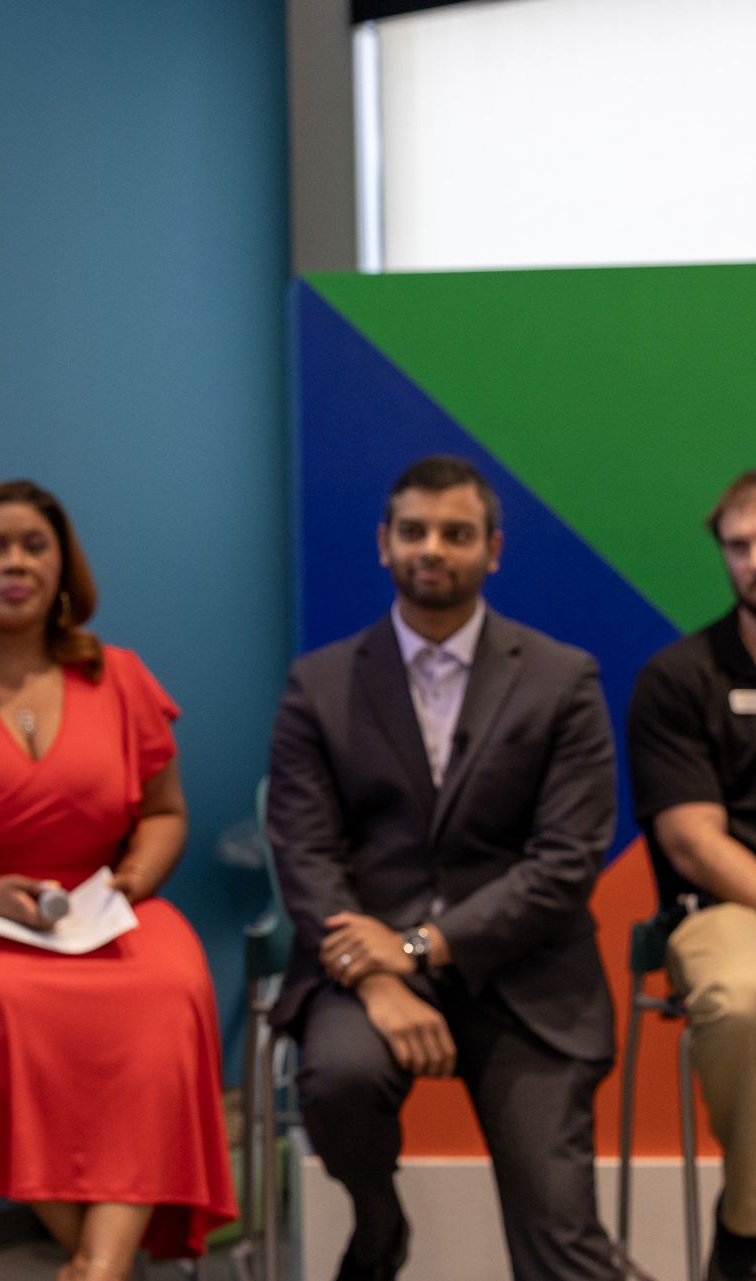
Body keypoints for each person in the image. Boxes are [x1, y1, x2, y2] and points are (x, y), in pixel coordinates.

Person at [0, 479, 235, 1281]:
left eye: (35, 546)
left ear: (64, 566)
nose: (16, 563)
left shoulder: (120, 676)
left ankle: (96, 1265)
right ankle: (101, 1262)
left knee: (173, 986)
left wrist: (129, 881)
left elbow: (165, 812)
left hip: (105, 906)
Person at [266, 455, 620, 1281]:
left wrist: (419, 947)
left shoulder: (563, 679)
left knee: (560, 1237)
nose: (432, 548)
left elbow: (567, 860)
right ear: (383, 543)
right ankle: (378, 1223)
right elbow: (305, 851)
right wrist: (380, 978)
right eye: (414, 531)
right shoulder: (319, 685)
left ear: (492, 549)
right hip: (365, 970)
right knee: (339, 1078)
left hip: (528, 977)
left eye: (456, 533)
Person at [628, 466, 756, 1281]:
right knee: (747, 999)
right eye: (739, 546)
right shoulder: (681, 678)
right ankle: (751, 1225)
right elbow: (692, 841)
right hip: (724, 908)